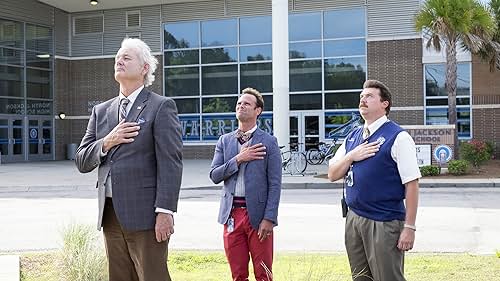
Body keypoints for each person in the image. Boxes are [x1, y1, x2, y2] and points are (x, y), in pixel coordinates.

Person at [75, 38, 183, 281]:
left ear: (144, 68)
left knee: (152, 276)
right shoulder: (101, 111)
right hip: (110, 214)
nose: (119, 61)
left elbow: (171, 163)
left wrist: (165, 211)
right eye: (117, 57)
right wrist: (107, 142)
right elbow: (82, 160)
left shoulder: (161, 107)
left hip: (146, 214)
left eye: (126, 57)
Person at [328, 80, 420, 281]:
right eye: (361, 96)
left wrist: (409, 227)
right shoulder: (353, 136)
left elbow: (412, 185)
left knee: (387, 277)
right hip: (354, 219)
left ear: (384, 103)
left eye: (369, 96)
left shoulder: (398, 137)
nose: (363, 99)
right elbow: (332, 174)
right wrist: (352, 155)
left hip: (384, 221)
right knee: (360, 278)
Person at [209, 87, 282, 281]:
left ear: (258, 110)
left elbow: (275, 184)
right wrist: (238, 159)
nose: (241, 106)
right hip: (231, 215)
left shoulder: (269, 142)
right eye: (239, 103)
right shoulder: (224, 141)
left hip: (258, 217)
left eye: (247, 103)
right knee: (238, 274)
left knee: (263, 274)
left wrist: (270, 218)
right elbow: (214, 175)